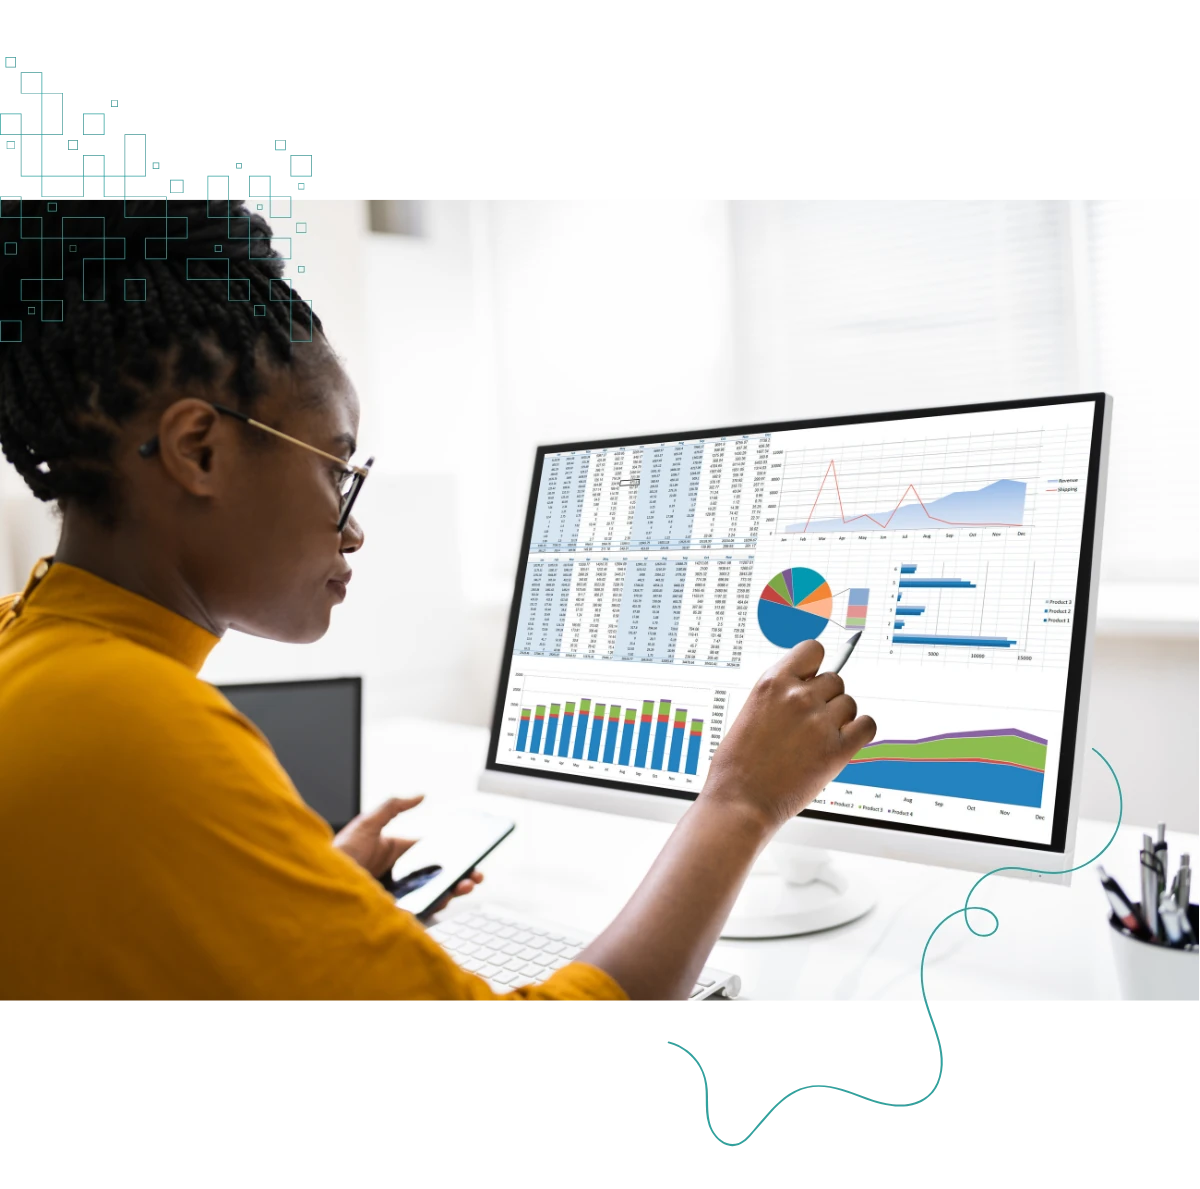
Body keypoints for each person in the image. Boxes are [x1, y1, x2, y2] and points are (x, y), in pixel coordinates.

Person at [0, 194, 875, 1003]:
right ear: (199, 451)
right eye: (338, 471)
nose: (354, 531)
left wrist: (298, 893)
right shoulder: (142, 730)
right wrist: (739, 802)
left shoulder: (32, 651)